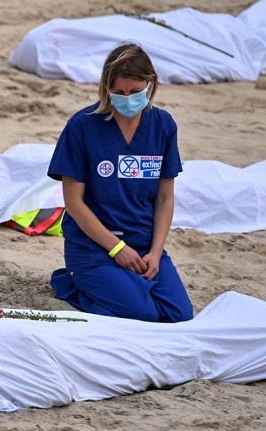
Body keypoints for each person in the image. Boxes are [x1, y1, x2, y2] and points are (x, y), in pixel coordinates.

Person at [47, 43, 193, 323]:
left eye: (135, 92)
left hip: (143, 244)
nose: (127, 99)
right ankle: (72, 282)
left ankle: (124, 285)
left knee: (180, 315)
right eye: (120, 93)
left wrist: (156, 250)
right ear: (106, 88)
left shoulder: (163, 125)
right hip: (94, 248)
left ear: (150, 84)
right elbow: (74, 203)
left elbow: (165, 198)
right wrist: (116, 249)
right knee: (143, 313)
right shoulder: (82, 126)